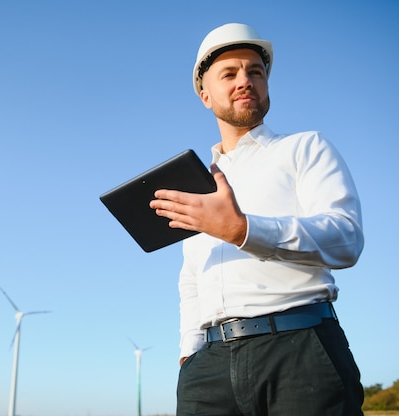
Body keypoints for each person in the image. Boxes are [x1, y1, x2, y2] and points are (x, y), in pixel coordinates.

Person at [149, 23, 365, 416]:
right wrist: (188, 353)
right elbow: (192, 278)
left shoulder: (306, 148)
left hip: (302, 349)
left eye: (255, 72)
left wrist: (243, 230)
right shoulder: (198, 186)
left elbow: (345, 238)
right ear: (205, 95)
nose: (244, 81)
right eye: (229, 74)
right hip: (208, 367)